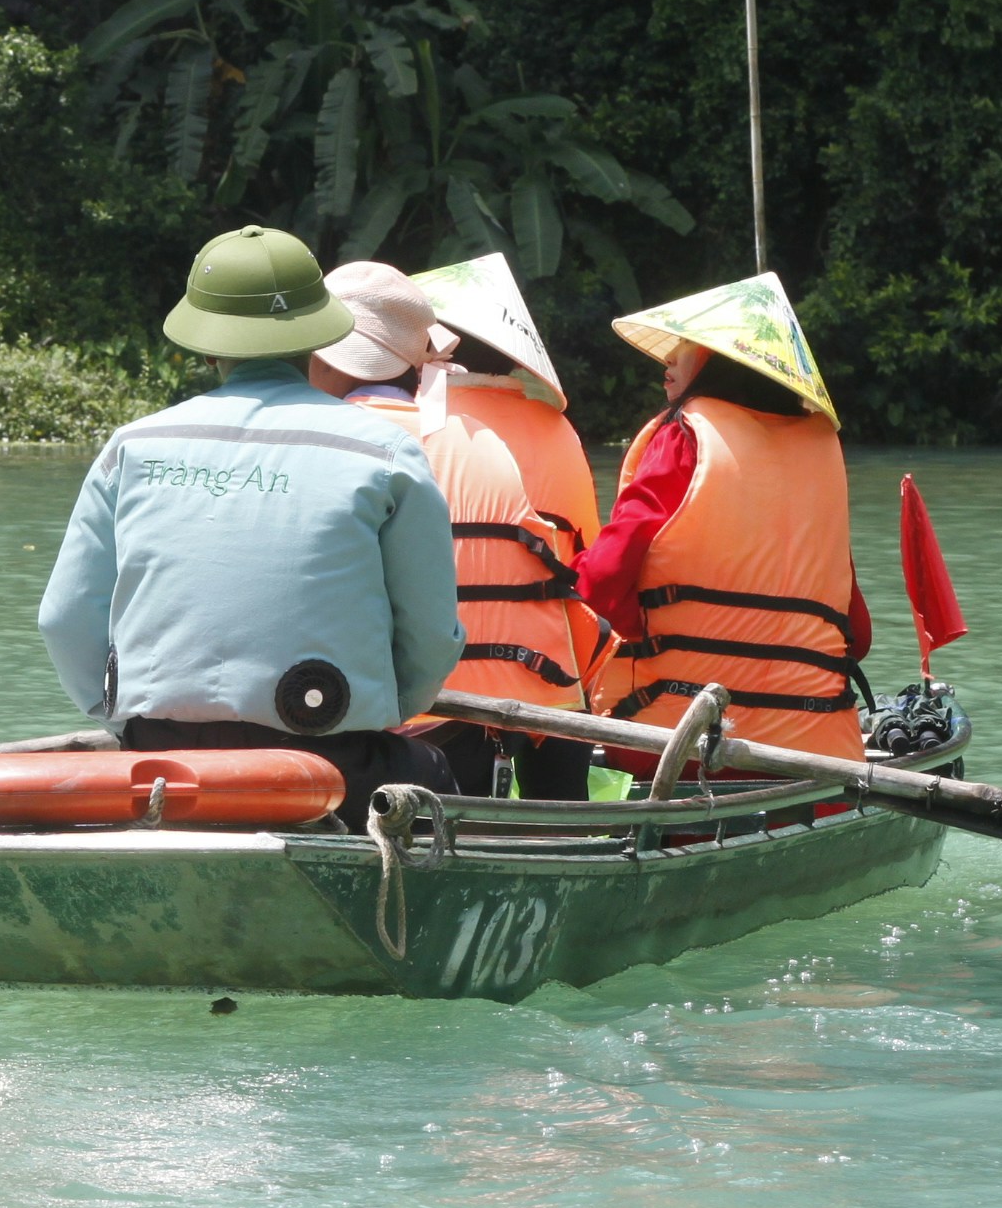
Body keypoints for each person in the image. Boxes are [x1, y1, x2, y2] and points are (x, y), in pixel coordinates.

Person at [38, 227, 462, 829]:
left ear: (208, 348)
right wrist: (392, 706)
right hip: (326, 757)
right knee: (434, 774)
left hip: (160, 760)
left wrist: (118, 715)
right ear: (321, 340)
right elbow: (431, 631)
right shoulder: (387, 454)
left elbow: (62, 618)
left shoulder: (131, 447)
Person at [301, 262, 588, 797]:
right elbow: (587, 571)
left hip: (428, 714)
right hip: (549, 701)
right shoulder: (552, 432)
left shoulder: (372, 435)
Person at [579, 271, 873, 769]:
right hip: (817, 750)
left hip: (676, 742)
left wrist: (647, 630)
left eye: (684, 345)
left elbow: (600, 582)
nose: (667, 358)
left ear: (720, 357)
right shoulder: (821, 450)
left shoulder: (683, 436)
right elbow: (857, 636)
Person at [408, 254, 599, 801]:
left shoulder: (413, 424)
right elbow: (585, 560)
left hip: (442, 692)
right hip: (553, 690)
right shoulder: (559, 429)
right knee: (562, 816)